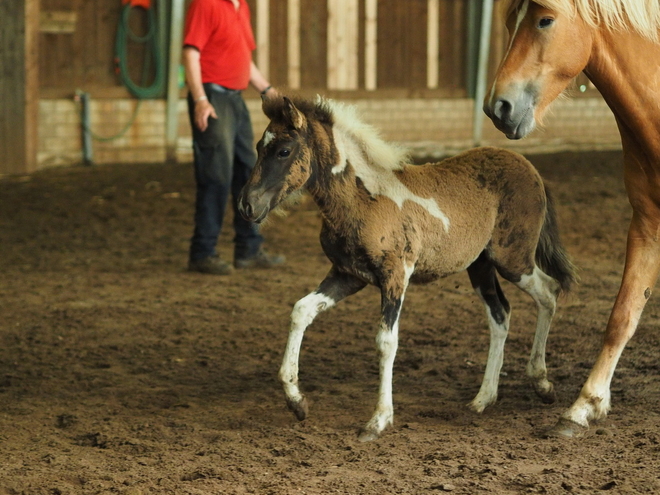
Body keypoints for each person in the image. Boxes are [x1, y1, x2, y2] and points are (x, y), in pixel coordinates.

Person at [182, 0, 285, 275]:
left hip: (235, 98)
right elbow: (191, 54)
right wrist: (201, 100)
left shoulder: (240, 7)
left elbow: (243, 58)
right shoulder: (206, 5)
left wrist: (267, 90)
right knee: (215, 176)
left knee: (247, 174)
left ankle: (249, 249)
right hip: (213, 97)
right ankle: (202, 252)